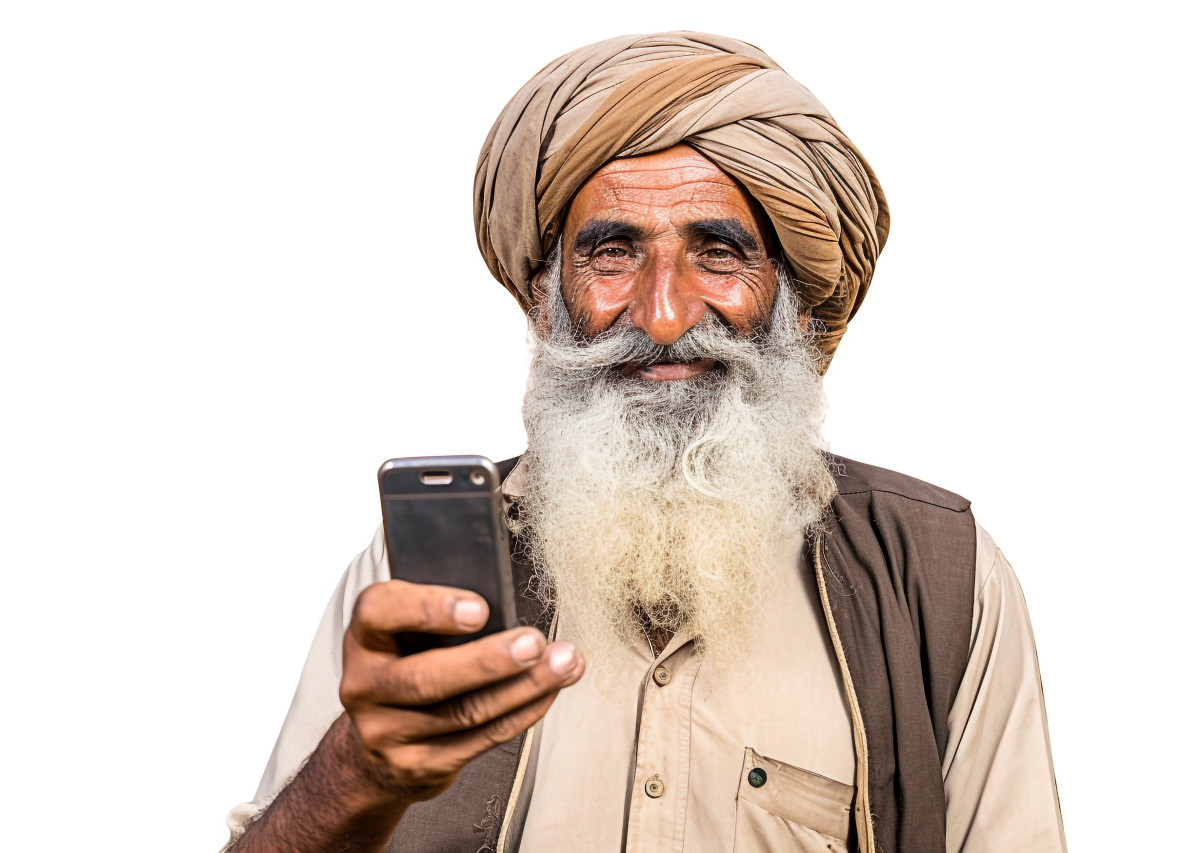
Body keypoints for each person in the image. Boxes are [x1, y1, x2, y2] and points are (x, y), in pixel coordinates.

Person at [223, 31, 1066, 853]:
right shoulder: (421, 575)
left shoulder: (940, 579)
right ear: (545, 299)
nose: (664, 315)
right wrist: (355, 771)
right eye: (615, 253)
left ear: (797, 301)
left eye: (718, 252)